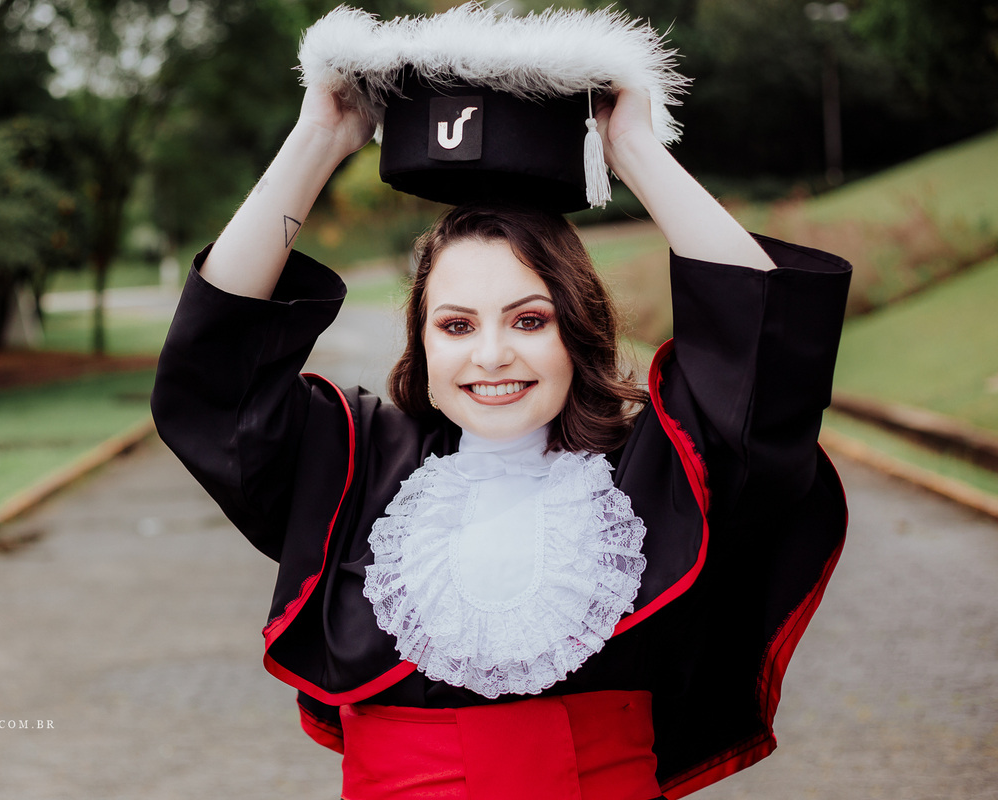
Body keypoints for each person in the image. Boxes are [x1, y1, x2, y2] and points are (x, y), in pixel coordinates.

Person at [152, 40, 852, 800]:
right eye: (456, 326)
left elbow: (766, 359)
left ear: (577, 329)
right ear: (420, 342)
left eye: (528, 320)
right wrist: (318, 140)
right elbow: (213, 380)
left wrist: (634, 148)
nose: (491, 355)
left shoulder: (655, 471)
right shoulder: (352, 468)